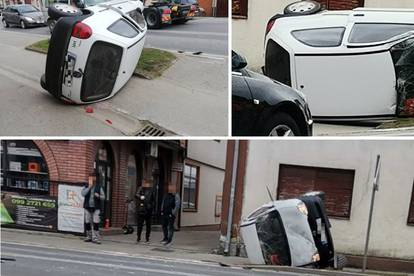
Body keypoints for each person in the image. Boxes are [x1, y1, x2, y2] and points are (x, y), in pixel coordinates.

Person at [81, 173, 105, 244]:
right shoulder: (86, 186)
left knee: (96, 223)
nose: (91, 179)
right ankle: (89, 236)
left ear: (95, 179)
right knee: (87, 222)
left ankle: (96, 238)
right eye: (90, 178)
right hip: (87, 207)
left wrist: (99, 196)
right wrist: (89, 187)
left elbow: (103, 197)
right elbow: (83, 194)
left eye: (92, 178)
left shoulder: (99, 187)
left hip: (96, 208)